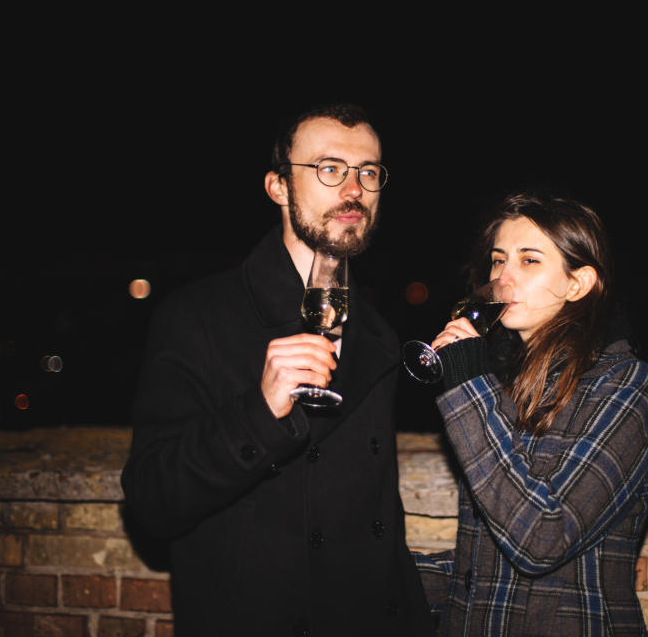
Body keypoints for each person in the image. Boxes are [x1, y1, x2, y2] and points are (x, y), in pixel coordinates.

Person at [121, 104, 433, 636]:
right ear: (278, 187)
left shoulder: (378, 333)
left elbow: (378, 521)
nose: (353, 189)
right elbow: (152, 503)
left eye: (368, 172)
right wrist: (259, 412)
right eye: (329, 169)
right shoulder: (198, 315)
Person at [414, 192, 648, 636]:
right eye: (497, 260)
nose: (502, 277)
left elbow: (540, 539)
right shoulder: (504, 380)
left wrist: (468, 384)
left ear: (577, 284)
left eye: (529, 261)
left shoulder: (624, 384)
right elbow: (490, 563)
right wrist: (382, 573)